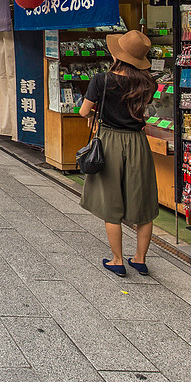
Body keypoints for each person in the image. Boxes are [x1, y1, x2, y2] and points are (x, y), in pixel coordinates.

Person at [77, 30, 157, 278]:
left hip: (110, 141)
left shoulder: (102, 80)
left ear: (118, 54)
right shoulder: (149, 83)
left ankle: (117, 259)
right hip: (138, 143)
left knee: (111, 202)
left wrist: (94, 116)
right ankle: (140, 259)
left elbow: (83, 112)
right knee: (143, 202)